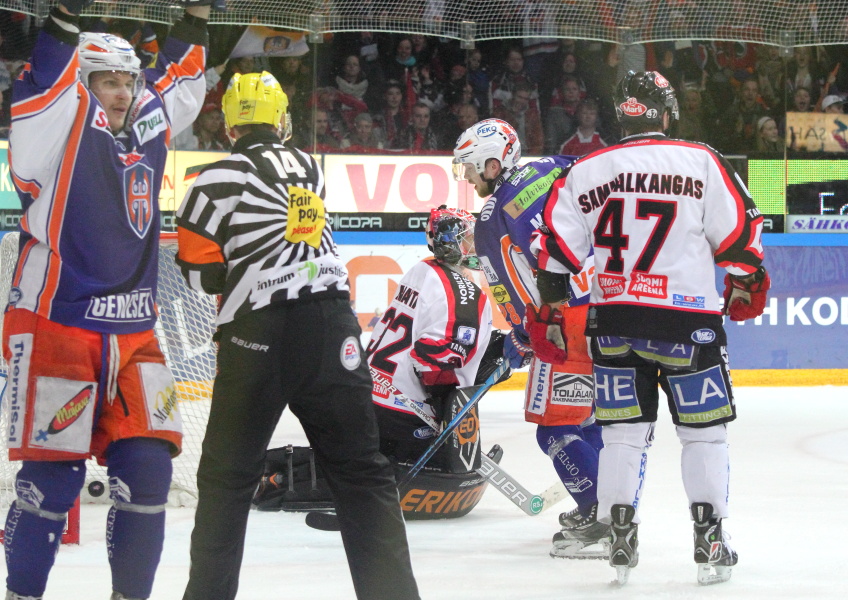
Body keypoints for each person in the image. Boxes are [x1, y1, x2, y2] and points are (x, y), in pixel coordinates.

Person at [174, 71, 420, 600]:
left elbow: (197, 271)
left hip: (258, 335)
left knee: (227, 482)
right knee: (362, 474)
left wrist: (229, 271)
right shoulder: (310, 168)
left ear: (227, 124)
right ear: (282, 120)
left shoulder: (211, 179)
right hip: (334, 326)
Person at [2, 1, 211, 599]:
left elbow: (179, 83)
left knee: (149, 471)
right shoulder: (52, 126)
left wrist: (193, 20)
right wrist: (64, 20)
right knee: (52, 481)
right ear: (80, 84)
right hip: (55, 325)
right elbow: (45, 79)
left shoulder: (146, 118)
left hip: (136, 331)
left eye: (126, 81)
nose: (120, 93)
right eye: (105, 82)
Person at [528, 71, 770, 585]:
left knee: (621, 435)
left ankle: (619, 535)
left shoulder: (585, 169)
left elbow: (552, 261)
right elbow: (742, 243)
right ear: (665, 111)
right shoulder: (701, 159)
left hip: (613, 323)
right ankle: (710, 541)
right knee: (704, 436)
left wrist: (551, 312)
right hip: (688, 325)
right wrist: (748, 284)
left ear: (622, 114)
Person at [452, 119, 606, 559]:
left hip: (564, 323)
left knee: (554, 429)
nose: (466, 177)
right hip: (612, 306)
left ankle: (603, 518)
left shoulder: (489, 216)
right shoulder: (558, 166)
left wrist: (521, 335)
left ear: (493, 162)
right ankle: (611, 509)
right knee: (592, 419)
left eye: (468, 168)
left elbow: (509, 287)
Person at [368, 206, 494, 511]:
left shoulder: (420, 270)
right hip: (402, 414)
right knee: (439, 457)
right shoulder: (466, 294)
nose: (473, 246)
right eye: (467, 239)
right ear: (452, 244)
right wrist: (446, 411)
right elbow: (432, 361)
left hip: (368, 396)